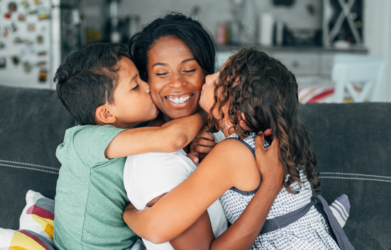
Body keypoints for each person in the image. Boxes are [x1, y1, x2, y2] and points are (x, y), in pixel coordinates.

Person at [123, 44, 354, 249]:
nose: (209, 77)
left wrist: (129, 213)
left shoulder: (232, 153)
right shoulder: (269, 141)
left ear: (239, 115)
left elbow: (158, 228)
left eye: (220, 79)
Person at [53, 43, 209, 250]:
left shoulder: (130, 134)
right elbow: (173, 137)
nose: (147, 87)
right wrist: (207, 110)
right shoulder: (84, 141)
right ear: (106, 114)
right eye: (135, 86)